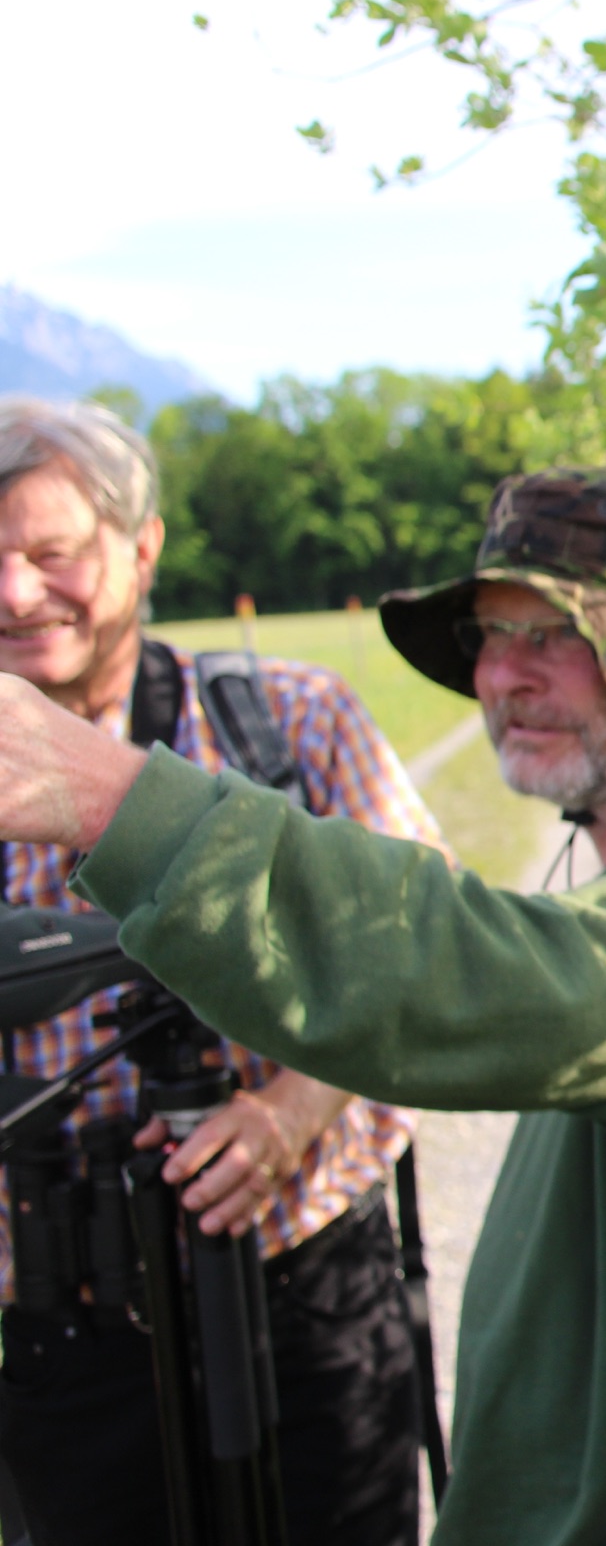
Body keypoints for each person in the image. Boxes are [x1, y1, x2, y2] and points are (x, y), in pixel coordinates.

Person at [0, 464, 606, 1545]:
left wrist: (110, 798)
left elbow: (491, 982)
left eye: (553, 635)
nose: (502, 676)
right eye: (490, 637)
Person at [0, 396, 433, 1543]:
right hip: (57, 1328)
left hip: (305, 1293)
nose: (16, 594)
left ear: (141, 547)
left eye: (52, 554)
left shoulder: (286, 722)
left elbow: (430, 955)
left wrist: (290, 1111)